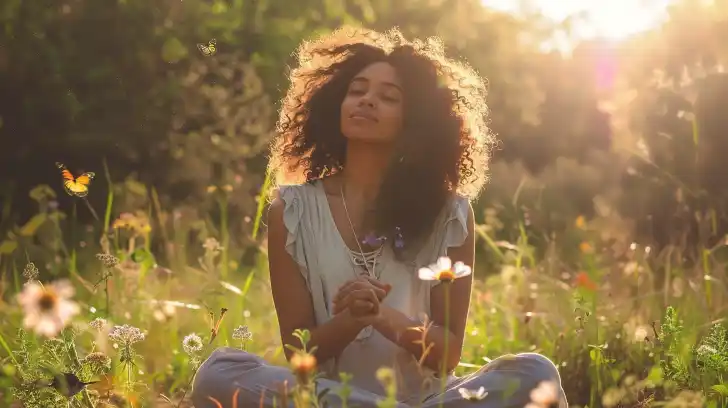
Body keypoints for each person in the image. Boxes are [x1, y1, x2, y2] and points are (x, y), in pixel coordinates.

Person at [191, 26, 568, 408]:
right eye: (357, 91)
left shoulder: (450, 214)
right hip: (327, 398)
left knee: (535, 374)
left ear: (415, 119)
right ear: (336, 104)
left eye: (388, 97)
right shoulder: (292, 211)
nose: (367, 101)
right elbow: (299, 353)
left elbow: (448, 353)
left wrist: (381, 316)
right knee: (218, 373)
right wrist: (351, 319)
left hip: (426, 397)